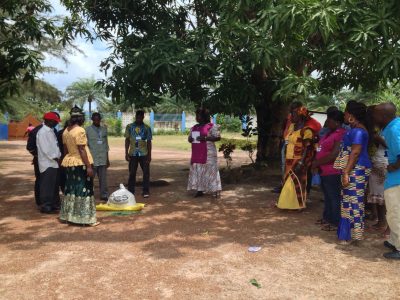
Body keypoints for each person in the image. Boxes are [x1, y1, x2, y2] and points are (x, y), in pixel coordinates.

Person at [335, 101, 371, 244]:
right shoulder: (356, 130)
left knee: (354, 202)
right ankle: (347, 234)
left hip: (357, 169)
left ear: (351, 115)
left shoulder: (358, 131)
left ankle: (355, 236)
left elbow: (355, 153)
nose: (344, 115)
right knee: (348, 201)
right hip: (354, 168)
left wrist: (346, 173)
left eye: (345, 112)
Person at [60, 106, 98, 226]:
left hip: (70, 163)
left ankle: (69, 216)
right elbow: (82, 150)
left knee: (71, 189)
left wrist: (66, 162)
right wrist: (89, 167)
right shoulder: (80, 130)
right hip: (80, 163)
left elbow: (65, 149)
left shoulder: (66, 131)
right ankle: (85, 218)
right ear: (81, 118)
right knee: (84, 189)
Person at [373, 102, 400, 259]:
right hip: (395, 179)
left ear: (384, 116)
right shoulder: (394, 125)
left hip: (397, 179)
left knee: (395, 213)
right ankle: (393, 240)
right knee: (394, 212)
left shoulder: (393, 129)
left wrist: (394, 166)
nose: (373, 117)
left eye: (375, 114)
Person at [277, 106, 317, 210]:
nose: (291, 116)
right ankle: (286, 204)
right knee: (287, 182)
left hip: (298, 160)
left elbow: (308, 148)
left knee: (297, 182)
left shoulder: (307, 131)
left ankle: (299, 205)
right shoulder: (292, 127)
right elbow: (287, 143)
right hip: (288, 159)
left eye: (293, 114)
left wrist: (301, 162)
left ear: (301, 116)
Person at [312, 110, 346, 230]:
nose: (327, 122)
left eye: (329, 120)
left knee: (334, 196)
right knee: (327, 195)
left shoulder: (340, 134)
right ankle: (327, 218)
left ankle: (335, 223)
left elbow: (334, 154)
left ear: (337, 122)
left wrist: (316, 163)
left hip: (333, 170)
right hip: (324, 169)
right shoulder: (329, 132)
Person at [187, 108, 222, 198]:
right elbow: (189, 138)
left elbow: (218, 138)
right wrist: (190, 139)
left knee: (211, 171)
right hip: (196, 153)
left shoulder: (212, 126)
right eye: (196, 115)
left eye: (198, 115)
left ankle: (214, 190)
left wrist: (205, 138)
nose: (196, 117)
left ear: (203, 116)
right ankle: (200, 190)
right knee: (199, 170)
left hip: (209, 154)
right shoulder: (194, 127)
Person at [366, 105, 388, 231]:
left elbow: (389, 145)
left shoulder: (388, 130)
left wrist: (376, 137)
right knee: (377, 196)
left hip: (383, 164)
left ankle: (385, 223)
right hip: (376, 162)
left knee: (383, 197)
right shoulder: (377, 129)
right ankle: (380, 221)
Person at [36, 112, 61, 213]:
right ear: (49, 121)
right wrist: (55, 157)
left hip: (54, 163)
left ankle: (54, 204)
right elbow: (45, 149)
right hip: (47, 163)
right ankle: (46, 206)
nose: (56, 123)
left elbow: (55, 146)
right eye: (55, 121)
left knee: (54, 185)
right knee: (47, 185)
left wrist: (58, 156)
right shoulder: (42, 132)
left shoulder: (50, 131)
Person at [125, 110, 152, 198]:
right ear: (135, 117)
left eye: (141, 117)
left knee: (146, 173)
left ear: (143, 117)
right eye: (138, 117)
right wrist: (126, 153)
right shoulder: (129, 127)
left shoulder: (147, 128)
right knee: (132, 173)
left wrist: (149, 155)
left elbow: (149, 142)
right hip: (133, 154)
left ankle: (145, 191)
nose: (139, 119)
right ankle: (131, 191)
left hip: (144, 153)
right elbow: (127, 140)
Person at [86, 112, 110, 201]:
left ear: (100, 119)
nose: (97, 121)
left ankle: (104, 195)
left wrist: (107, 159)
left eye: (98, 119)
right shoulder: (87, 130)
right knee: (90, 178)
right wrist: (87, 161)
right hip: (92, 159)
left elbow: (106, 145)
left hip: (103, 158)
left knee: (103, 179)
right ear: (92, 119)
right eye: (95, 119)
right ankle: (89, 194)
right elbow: (85, 146)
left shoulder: (104, 129)